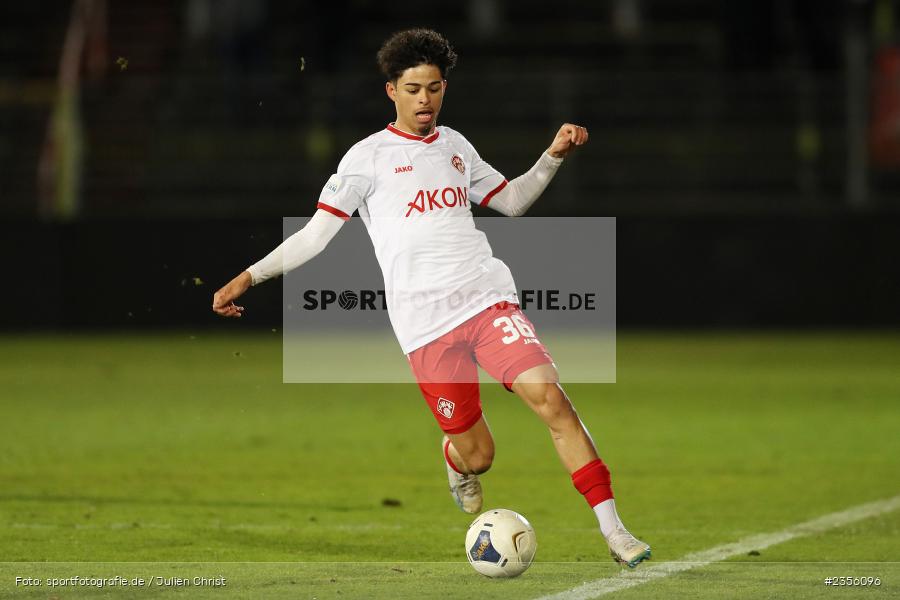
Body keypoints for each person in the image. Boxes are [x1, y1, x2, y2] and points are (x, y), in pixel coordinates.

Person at [212, 28, 650, 568]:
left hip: (487, 299)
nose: (426, 99)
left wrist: (552, 157)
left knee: (552, 399)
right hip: (425, 327)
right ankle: (455, 458)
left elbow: (510, 201)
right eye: (414, 88)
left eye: (435, 88)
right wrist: (249, 276)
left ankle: (615, 530)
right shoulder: (365, 159)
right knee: (479, 455)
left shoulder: (455, 146)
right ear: (391, 90)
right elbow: (315, 236)